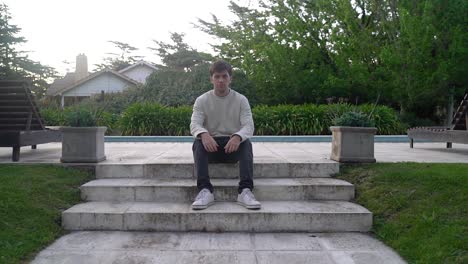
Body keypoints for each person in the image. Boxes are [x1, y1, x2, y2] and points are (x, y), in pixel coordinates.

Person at [190, 60, 261, 210]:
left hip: (232, 148)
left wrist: (237, 136)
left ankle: (245, 191)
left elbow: (249, 126)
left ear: (230, 78)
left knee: (246, 143)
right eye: (217, 76)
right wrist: (203, 134)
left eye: (224, 76)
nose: (221, 80)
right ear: (211, 79)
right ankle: (205, 190)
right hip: (211, 148)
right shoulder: (202, 100)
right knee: (197, 143)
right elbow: (195, 124)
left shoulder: (241, 100)